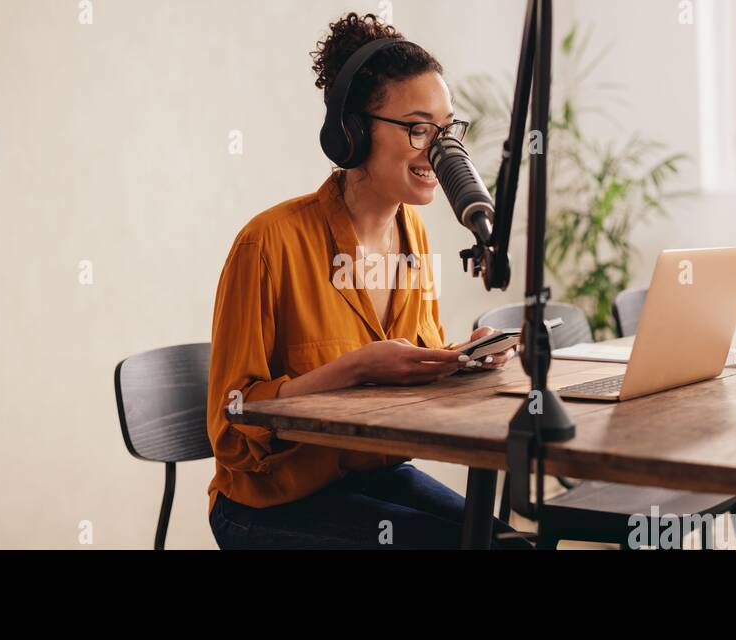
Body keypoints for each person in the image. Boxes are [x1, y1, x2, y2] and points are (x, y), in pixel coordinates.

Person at [206, 12, 527, 549]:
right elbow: (232, 424)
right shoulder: (267, 244)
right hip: (268, 504)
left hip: (373, 478)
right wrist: (351, 370)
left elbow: (407, 369)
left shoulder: (415, 235)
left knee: (509, 545)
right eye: (419, 128)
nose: (442, 149)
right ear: (350, 135)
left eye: (448, 129)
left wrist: (456, 360)